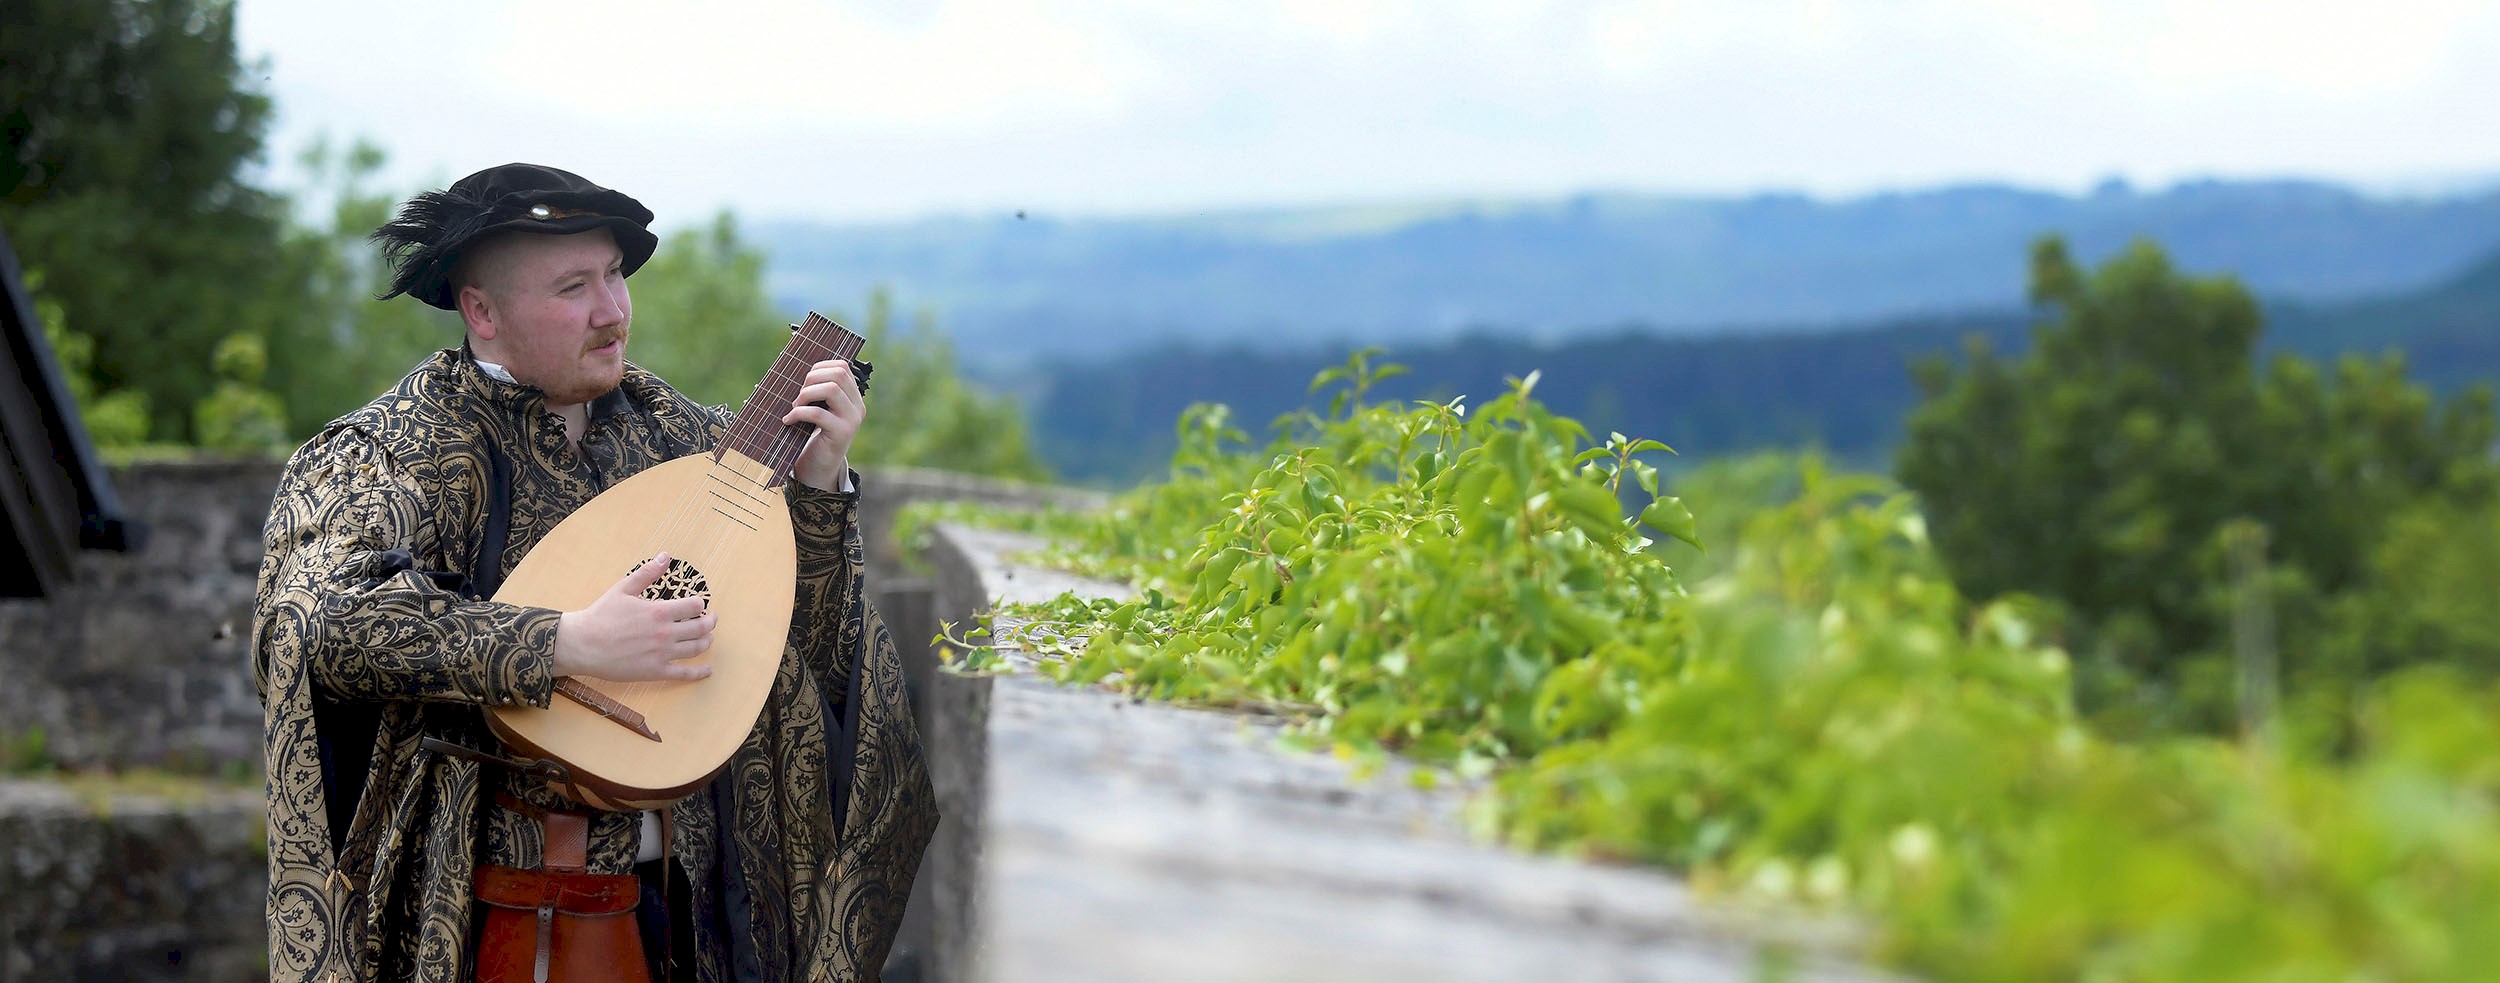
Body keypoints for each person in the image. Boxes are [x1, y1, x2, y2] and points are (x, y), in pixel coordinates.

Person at [251, 162, 935, 981]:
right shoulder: (394, 452)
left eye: (615, 275)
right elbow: (313, 621)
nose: (613, 312)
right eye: (573, 286)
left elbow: (806, 658)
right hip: (481, 921)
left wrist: (822, 490)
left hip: (698, 916)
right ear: (483, 311)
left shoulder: (685, 436)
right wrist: (568, 640)